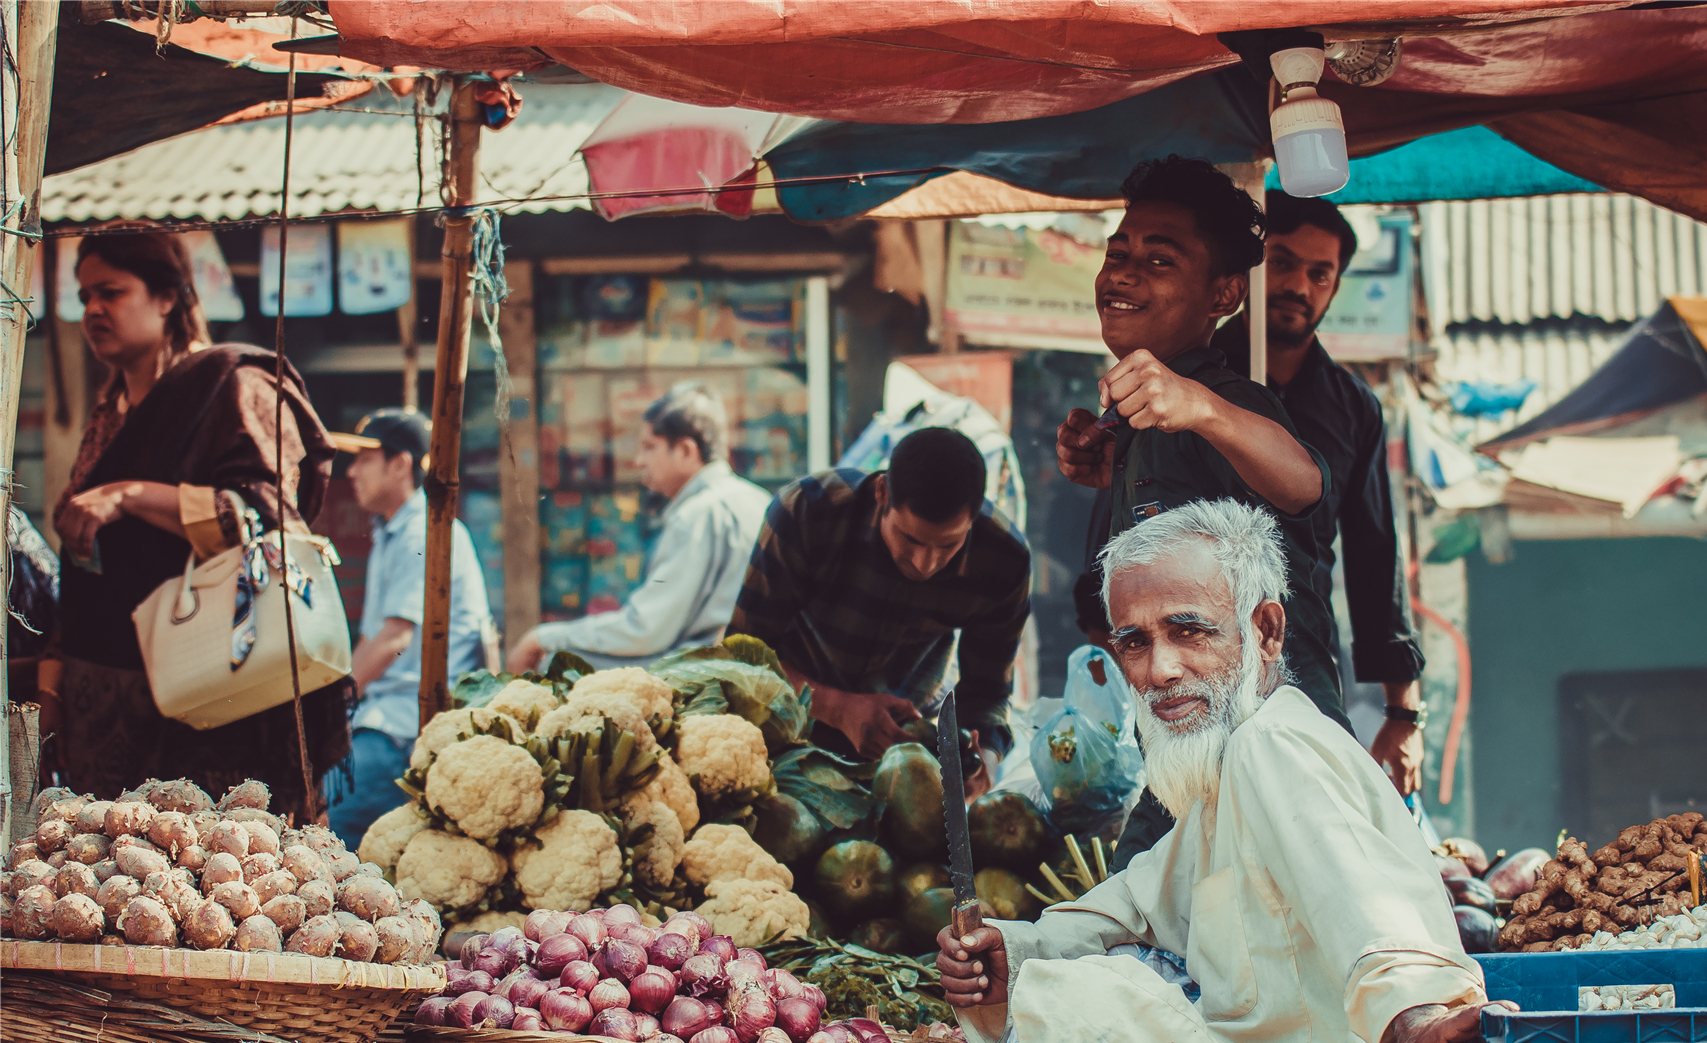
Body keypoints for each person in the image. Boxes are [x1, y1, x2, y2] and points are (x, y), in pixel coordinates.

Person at [936, 500, 1496, 1043]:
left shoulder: (1279, 748)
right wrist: (1009, 954)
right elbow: (1135, 902)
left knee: (1084, 1006)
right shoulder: (1230, 759)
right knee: (1096, 976)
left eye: (1188, 630)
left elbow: (1363, 888)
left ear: (1265, 630)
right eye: (1133, 640)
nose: (1159, 667)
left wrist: (1415, 1003)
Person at [1053, 155, 1342, 868]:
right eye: (1118, 253)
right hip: (1193, 754)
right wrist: (1111, 469)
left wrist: (1205, 409)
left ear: (1223, 293)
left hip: (1271, 758)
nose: (1122, 273)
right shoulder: (1146, 418)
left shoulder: (1223, 401)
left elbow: (1306, 485)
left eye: (1158, 259)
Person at [47, 230, 349, 819]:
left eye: (111, 292)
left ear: (167, 297)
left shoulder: (232, 384)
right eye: (83, 296)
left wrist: (130, 495)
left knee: (221, 888)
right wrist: (52, 689)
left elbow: (261, 521)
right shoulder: (109, 414)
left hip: (219, 698)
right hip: (107, 708)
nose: (92, 311)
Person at [1215, 193, 1428, 795]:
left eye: (1319, 273)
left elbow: (1373, 558)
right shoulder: (1187, 379)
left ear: (1334, 287)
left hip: (1302, 655)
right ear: (1251, 268)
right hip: (1189, 651)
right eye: (1281, 262)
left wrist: (1403, 712)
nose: (1298, 285)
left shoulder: (1353, 408)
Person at [729, 427, 1029, 787]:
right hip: (787, 729)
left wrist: (985, 764)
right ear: (881, 492)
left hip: (907, 750)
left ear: (973, 519)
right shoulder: (807, 513)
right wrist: (836, 708)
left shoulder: (1003, 558)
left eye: (948, 545)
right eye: (910, 538)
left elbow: (988, 694)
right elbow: (742, 657)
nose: (925, 563)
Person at [507, 383, 770, 671]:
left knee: (553, 664)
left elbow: (645, 631)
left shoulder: (697, 515)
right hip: (752, 672)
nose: (639, 461)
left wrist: (543, 637)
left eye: (649, 447)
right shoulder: (760, 500)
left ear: (685, 450)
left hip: (705, 677)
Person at [322, 410, 495, 847]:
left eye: (365, 458)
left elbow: (392, 641)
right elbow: (373, 639)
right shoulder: (392, 530)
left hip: (407, 728)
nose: (352, 470)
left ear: (400, 464)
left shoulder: (425, 532)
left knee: (323, 815)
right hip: (383, 716)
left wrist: (326, 710)